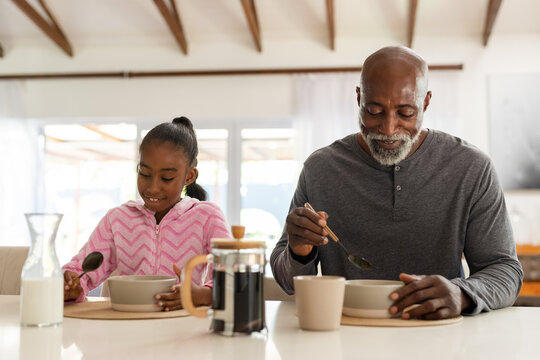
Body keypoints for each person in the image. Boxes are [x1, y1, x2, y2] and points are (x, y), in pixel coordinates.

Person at [270, 46, 523, 320]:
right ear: (358, 98)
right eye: (374, 111)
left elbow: (505, 271)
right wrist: (299, 251)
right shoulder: (320, 169)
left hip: (440, 335)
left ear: (425, 103)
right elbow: (287, 282)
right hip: (345, 336)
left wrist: (461, 293)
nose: (388, 129)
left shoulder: (471, 168)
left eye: (405, 113)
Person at [63, 117, 231, 311]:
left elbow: (233, 280)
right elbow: (79, 271)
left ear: (189, 176)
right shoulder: (118, 219)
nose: (153, 187)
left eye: (166, 178)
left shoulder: (207, 217)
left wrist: (202, 294)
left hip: (184, 328)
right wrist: (71, 285)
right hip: (128, 327)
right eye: (144, 173)